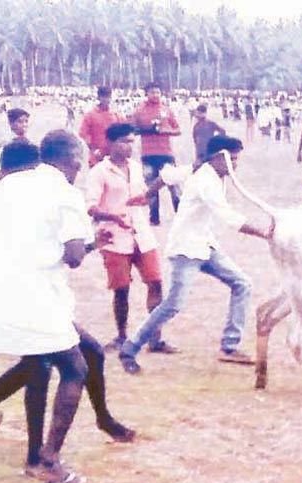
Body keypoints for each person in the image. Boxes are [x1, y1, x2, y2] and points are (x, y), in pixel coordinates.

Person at [0, 130, 133, 483]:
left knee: (55, 359)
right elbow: (72, 257)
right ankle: (47, 460)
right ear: (74, 162)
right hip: (36, 297)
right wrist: (84, 244)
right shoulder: (65, 194)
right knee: (74, 367)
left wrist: (23, 239)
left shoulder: (11, 184)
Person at [119, 135, 273, 372]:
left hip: (205, 245)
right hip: (186, 250)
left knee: (242, 284)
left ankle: (229, 347)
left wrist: (147, 194)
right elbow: (229, 218)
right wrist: (264, 233)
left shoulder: (201, 170)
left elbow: (167, 175)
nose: (235, 165)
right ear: (217, 158)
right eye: (231, 159)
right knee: (173, 304)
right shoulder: (205, 182)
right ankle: (130, 348)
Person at [85, 123, 179, 362]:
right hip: (114, 236)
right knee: (121, 289)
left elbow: (142, 194)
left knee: (156, 282)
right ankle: (121, 335)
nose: (130, 146)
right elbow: (91, 207)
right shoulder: (99, 172)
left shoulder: (136, 168)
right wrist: (112, 216)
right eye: (125, 141)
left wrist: (144, 201)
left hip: (141, 233)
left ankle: (154, 337)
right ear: (111, 143)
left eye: (132, 141)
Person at [132, 82, 181, 226]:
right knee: (151, 187)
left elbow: (177, 130)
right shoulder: (139, 111)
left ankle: (180, 215)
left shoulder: (166, 110)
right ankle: (154, 218)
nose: (156, 95)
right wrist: (148, 130)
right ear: (146, 94)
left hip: (166, 153)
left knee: (174, 185)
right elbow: (133, 130)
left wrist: (166, 131)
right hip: (148, 154)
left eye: (158, 92)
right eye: (152, 92)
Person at [79, 86, 122, 167]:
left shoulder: (116, 115)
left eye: (108, 96)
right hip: (96, 157)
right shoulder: (90, 115)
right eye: (104, 96)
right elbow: (83, 134)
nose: (106, 99)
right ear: (99, 97)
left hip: (113, 156)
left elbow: (123, 134)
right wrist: (93, 149)